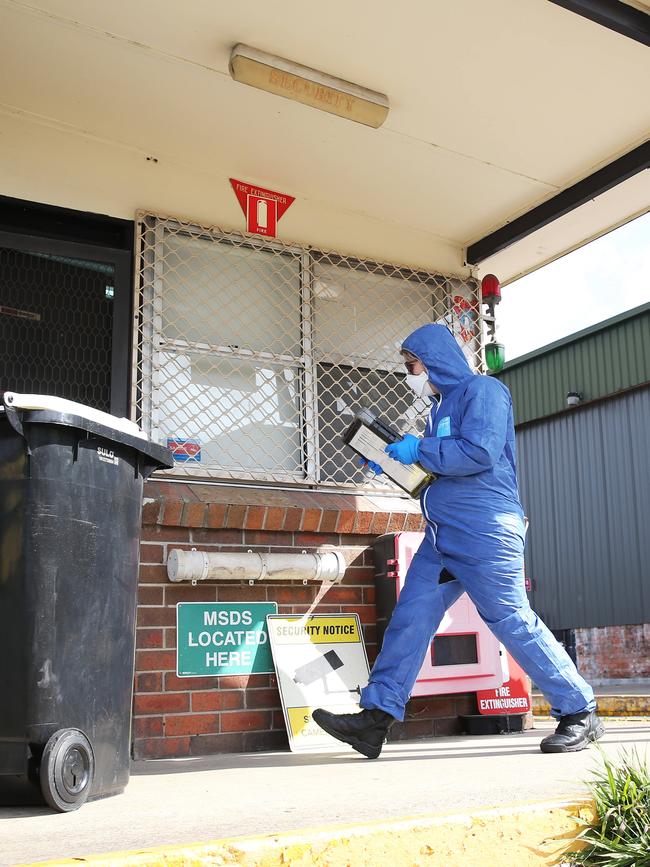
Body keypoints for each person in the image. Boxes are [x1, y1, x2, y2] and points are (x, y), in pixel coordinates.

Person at [313, 323, 603, 759]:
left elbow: (479, 452)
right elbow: (438, 472)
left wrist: (421, 451)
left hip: (486, 528)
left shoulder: (483, 391)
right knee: (410, 617)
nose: (410, 373)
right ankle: (375, 719)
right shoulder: (438, 409)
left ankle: (579, 709)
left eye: (412, 364)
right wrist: (396, 464)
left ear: (433, 361)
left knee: (509, 619)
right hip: (443, 533)